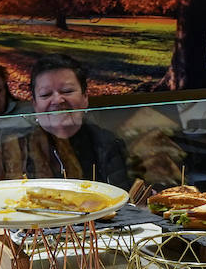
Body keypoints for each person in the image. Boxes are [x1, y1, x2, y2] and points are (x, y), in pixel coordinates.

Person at [25, 54, 130, 189]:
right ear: (34, 104)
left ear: (85, 97)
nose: (57, 100)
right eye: (46, 94)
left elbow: (122, 199)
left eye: (67, 91)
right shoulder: (17, 150)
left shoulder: (107, 143)